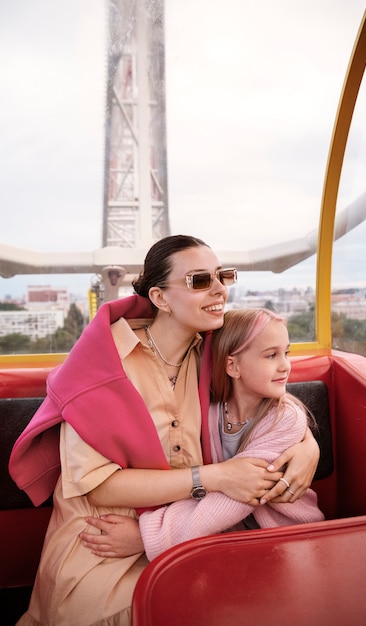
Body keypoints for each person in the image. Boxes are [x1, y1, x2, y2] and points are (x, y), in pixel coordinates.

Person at [9, 235, 319, 626]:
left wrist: (307, 445)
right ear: (159, 298)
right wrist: (216, 476)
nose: (221, 289)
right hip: (104, 536)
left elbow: (266, 397)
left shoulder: (212, 351)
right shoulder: (101, 366)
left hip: (189, 529)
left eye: (222, 276)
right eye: (200, 281)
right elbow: (99, 485)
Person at [81, 308, 324, 564]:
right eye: (271, 355)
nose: (285, 365)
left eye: (286, 353)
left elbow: (236, 496)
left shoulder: (284, 419)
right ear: (232, 365)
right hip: (229, 538)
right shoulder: (208, 409)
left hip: (287, 538)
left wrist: (145, 536)